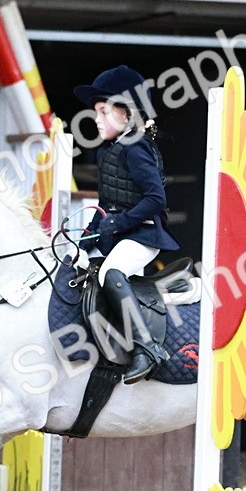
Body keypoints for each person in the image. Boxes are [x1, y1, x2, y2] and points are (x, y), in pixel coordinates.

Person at [74, 65, 180, 383]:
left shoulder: (136, 148)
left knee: (110, 273)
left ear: (127, 114)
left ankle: (148, 349)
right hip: (122, 233)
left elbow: (156, 199)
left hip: (144, 233)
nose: (96, 119)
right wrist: (85, 241)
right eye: (96, 112)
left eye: (104, 111)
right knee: (79, 266)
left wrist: (118, 223)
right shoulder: (111, 151)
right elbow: (107, 206)